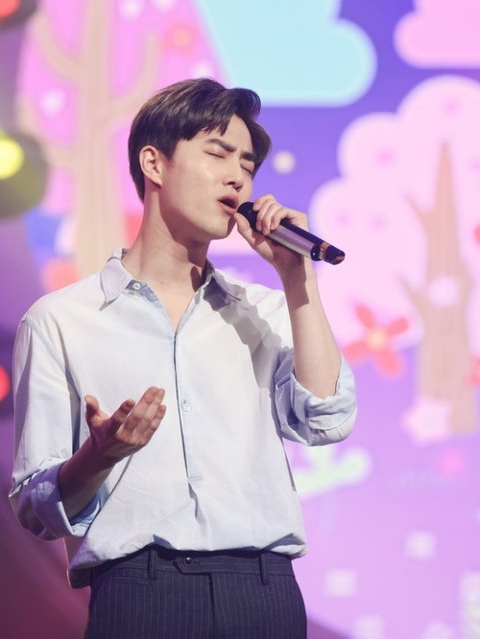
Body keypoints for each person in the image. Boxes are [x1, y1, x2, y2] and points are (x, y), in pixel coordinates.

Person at [10, 78, 356, 639]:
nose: (237, 176)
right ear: (154, 163)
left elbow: (327, 419)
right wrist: (98, 455)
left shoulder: (266, 309)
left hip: (263, 590)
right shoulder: (60, 321)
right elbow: (35, 506)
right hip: (138, 594)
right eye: (218, 153)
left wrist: (298, 279)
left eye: (247, 164)